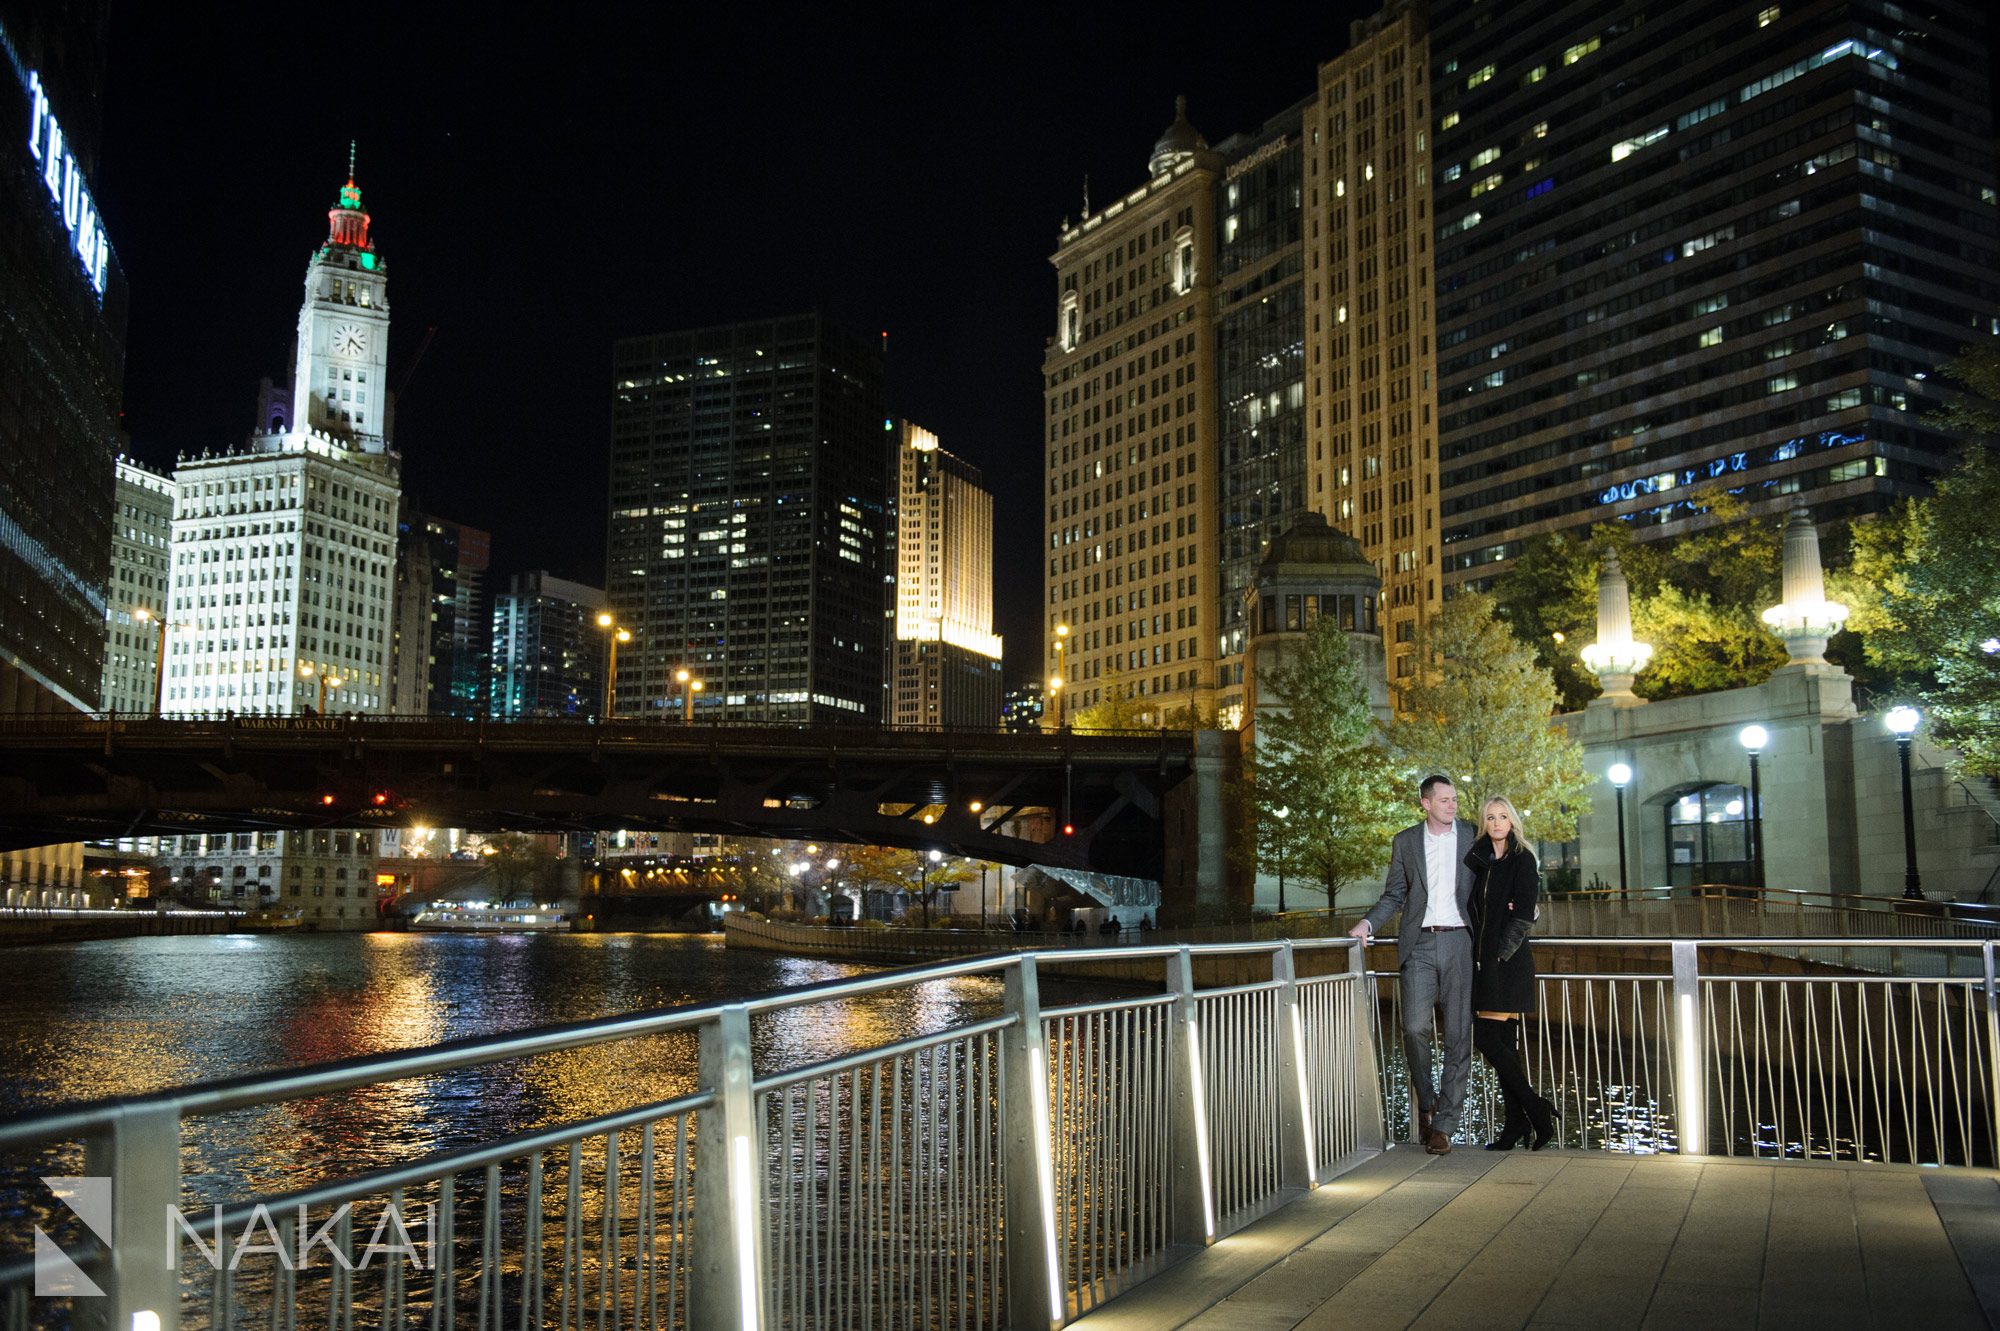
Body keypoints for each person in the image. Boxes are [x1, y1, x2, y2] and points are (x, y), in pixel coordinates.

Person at [1349, 775, 1477, 1154]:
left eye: (1454, 799)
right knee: (1414, 1027)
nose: (1452, 805)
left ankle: (1443, 1126)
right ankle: (1428, 1097)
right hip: (1418, 943)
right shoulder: (1406, 841)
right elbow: (1394, 893)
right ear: (1425, 803)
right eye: (1443, 800)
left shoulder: (1471, 835)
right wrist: (1368, 922)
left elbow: (1495, 877)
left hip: (1460, 941)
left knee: (1458, 1036)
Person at [1465, 796, 1556, 1151]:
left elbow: (1522, 916)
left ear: (1512, 821)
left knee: (1487, 1039)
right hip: (1485, 960)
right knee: (1502, 1046)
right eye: (1490, 817)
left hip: (1507, 960)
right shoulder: (1482, 860)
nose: (1497, 822)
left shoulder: (1523, 859)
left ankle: (1535, 1109)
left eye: (1503, 816)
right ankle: (1516, 1122)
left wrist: (1499, 956)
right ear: (1484, 823)